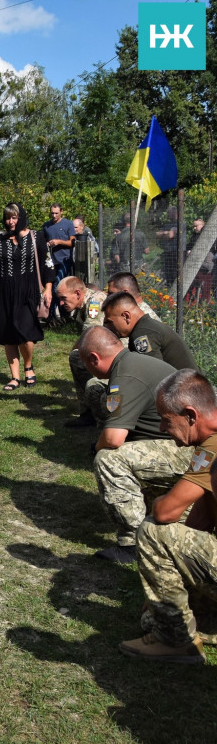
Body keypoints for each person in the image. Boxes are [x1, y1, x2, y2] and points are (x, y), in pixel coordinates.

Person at [120, 369, 217, 664]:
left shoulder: (212, 446)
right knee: (155, 616)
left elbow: (165, 513)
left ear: (190, 415)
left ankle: (176, 643)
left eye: (166, 419)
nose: (162, 429)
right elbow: (200, 519)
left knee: (152, 530)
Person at [77, 327, 192, 564]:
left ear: (94, 358)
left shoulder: (126, 376)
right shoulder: (131, 362)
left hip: (188, 449)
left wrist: (96, 447)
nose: (88, 369)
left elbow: (113, 439)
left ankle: (132, 542)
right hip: (180, 442)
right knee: (98, 393)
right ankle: (157, 507)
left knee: (109, 458)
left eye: (86, 364)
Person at [0, 204, 54, 391]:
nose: (10, 222)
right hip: (4, 292)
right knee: (9, 334)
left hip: (28, 292)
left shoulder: (36, 237)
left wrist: (48, 289)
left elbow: (47, 263)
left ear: (21, 217)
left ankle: (28, 366)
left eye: (14, 218)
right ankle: (15, 376)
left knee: (26, 332)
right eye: (7, 218)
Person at [55, 276, 108, 429]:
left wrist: (75, 349)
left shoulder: (95, 301)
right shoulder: (84, 303)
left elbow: (90, 334)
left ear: (78, 293)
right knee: (78, 357)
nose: (61, 303)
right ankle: (89, 412)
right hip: (105, 347)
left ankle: (95, 413)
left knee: (78, 357)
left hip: (121, 351)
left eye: (64, 298)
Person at [102, 291, 197, 370]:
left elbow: (152, 375)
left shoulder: (142, 334)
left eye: (109, 322)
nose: (108, 328)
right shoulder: (146, 327)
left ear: (126, 316)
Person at [156, 206, 180, 286]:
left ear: (174, 213)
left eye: (168, 213)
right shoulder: (168, 224)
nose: (167, 215)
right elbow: (157, 235)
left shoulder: (179, 223)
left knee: (174, 273)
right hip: (167, 252)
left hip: (176, 253)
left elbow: (170, 235)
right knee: (167, 272)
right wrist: (165, 233)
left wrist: (165, 233)